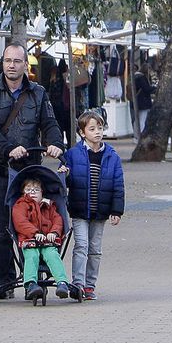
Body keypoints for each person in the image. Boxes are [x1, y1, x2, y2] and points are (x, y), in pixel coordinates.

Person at [0, 40, 64, 300]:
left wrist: (55, 144)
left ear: (25, 65)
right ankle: (5, 282)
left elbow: (49, 123)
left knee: (34, 226)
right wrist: (8, 149)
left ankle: (31, 279)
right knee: (1, 230)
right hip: (0, 169)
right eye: (7, 61)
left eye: (16, 61)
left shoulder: (38, 93)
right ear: (2, 63)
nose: (11, 66)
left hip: (29, 171)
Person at [61, 110, 124, 300]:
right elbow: (66, 182)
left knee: (95, 249)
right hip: (79, 209)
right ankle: (78, 284)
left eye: (100, 128)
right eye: (92, 129)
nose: (97, 132)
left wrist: (116, 210)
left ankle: (90, 285)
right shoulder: (72, 154)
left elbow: (118, 184)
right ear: (82, 133)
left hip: (101, 210)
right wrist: (64, 174)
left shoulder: (112, 156)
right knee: (81, 245)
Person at [12, 177, 71, 300]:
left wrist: (54, 232)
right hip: (29, 240)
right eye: (28, 189)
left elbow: (57, 220)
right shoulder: (20, 205)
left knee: (52, 255)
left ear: (42, 192)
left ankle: (62, 282)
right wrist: (34, 233)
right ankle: (31, 284)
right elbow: (20, 222)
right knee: (31, 256)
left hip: (47, 241)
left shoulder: (49, 205)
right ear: (23, 192)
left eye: (36, 189)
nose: (32, 192)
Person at [134, 71, 154, 136]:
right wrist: (154, 88)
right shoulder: (141, 78)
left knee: (137, 119)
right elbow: (146, 89)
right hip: (143, 102)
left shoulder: (134, 77)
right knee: (142, 119)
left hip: (136, 101)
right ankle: (141, 134)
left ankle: (136, 134)